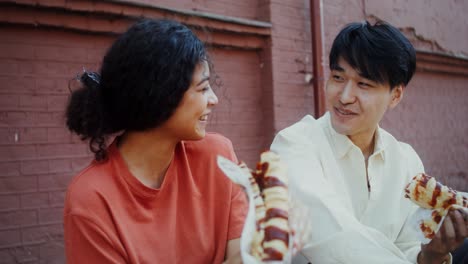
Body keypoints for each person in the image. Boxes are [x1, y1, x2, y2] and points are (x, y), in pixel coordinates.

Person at [271, 20, 467, 264]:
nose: (344, 97)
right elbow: (329, 236)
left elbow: (408, 245)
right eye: (338, 77)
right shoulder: (294, 145)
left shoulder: (405, 161)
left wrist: (431, 254)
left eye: (363, 84)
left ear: (395, 95)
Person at [64, 19, 247, 264]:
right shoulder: (92, 199)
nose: (214, 99)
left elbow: (244, 255)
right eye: (203, 89)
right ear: (161, 97)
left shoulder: (218, 156)